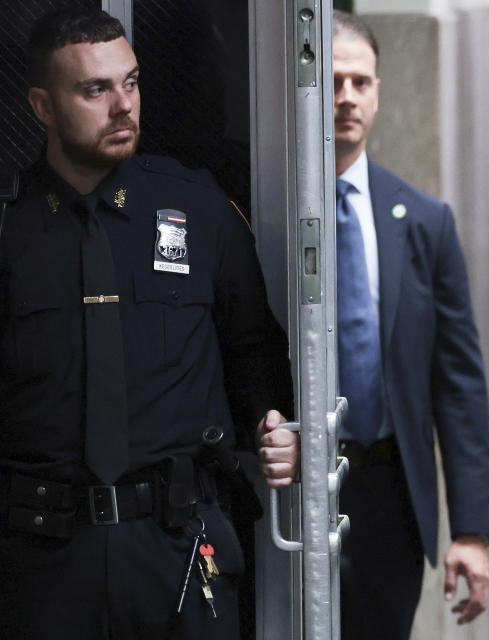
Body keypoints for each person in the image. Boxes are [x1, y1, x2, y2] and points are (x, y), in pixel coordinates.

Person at [0, 8, 297, 639]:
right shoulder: (10, 228)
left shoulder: (197, 206)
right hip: (44, 560)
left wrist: (277, 426)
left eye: (130, 83)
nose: (123, 106)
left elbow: (252, 349)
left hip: (181, 548)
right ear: (42, 106)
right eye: (95, 90)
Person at [330, 10, 489, 640]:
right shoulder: (267, 212)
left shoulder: (424, 222)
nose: (347, 97)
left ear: (378, 93)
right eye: (335, 81)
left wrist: (473, 531)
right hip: (289, 488)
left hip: (387, 497)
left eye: (362, 83)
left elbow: (459, 384)